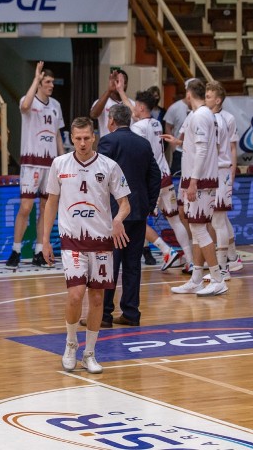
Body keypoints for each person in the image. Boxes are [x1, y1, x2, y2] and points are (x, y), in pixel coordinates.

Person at [41, 117, 131, 373]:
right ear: (72, 138)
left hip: (102, 240)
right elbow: (50, 203)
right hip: (72, 239)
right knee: (75, 294)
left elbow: (125, 203)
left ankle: (90, 353)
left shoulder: (109, 166)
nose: (81, 143)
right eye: (77, 138)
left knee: (97, 298)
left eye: (86, 138)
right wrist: (45, 240)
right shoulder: (59, 164)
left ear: (94, 138)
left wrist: (117, 219)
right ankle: (71, 344)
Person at [161, 79, 227, 297]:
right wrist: (179, 143)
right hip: (199, 177)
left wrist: (194, 181)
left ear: (189, 95)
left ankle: (217, 278)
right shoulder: (202, 115)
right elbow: (198, 145)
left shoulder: (200, 115)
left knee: (199, 229)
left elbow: (201, 151)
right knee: (198, 233)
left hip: (200, 180)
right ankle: (197, 277)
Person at [96, 104, 160, 327]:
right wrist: (149, 204)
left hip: (114, 215)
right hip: (138, 213)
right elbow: (155, 174)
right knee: (133, 265)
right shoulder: (142, 143)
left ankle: (104, 315)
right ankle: (131, 314)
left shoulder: (107, 141)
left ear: (111, 120)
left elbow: (99, 177)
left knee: (109, 264)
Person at [6, 61, 65, 268]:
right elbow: (23, 106)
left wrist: (63, 161)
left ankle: (40, 250)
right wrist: (35, 79)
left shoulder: (56, 105)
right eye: (47, 81)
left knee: (46, 209)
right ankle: (16, 249)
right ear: (40, 83)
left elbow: (58, 135)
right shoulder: (29, 100)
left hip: (50, 163)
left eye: (52, 82)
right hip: (31, 162)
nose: (51, 85)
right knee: (26, 206)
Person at [131, 89, 192, 270]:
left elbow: (140, 155)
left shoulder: (137, 128)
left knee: (137, 221)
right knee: (174, 220)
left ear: (141, 107)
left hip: (150, 180)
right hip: (165, 176)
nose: (133, 107)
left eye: (135, 105)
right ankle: (190, 260)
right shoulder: (156, 123)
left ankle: (167, 251)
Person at [203, 81, 243, 281]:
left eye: (209, 96)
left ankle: (222, 267)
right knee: (220, 217)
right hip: (211, 171)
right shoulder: (205, 116)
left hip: (222, 171)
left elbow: (233, 148)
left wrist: (233, 170)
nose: (205, 99)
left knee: (218, 219)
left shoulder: (228, 118)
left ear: (218, 100)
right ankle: (233, 257)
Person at [90, 67, 134, 141]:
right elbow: (93, 115)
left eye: (124, 83)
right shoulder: (102, 101)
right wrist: (109, 90)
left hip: (127, 143)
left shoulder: (132, 103)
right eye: (118, 81)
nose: (122, 85)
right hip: (107, 143)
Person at [163, 79, 193, 175]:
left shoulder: (203, 111)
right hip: (179, 151)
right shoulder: (175, 107)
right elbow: (168, 127)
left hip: (196, 151)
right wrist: (174, 147)